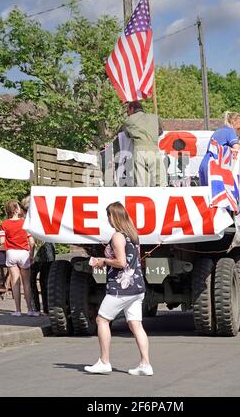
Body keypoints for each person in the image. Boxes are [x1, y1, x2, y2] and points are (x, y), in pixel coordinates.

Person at [84, 201, 153, 376]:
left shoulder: (117, 236)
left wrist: (103, 261)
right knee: (136, 324)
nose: (107, 219)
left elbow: (121, 262)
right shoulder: (133, 234)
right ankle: (145, 364)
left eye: (108, 216)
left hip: (121, 288)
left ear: (113, 217)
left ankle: (104, 361)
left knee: (102, 320)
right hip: (137, 287)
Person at [0, 200, 38, 316]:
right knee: (26, 283)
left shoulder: (4, 224)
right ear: (16, 210)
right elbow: (32, 242)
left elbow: (1, 241)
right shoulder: (25, 223)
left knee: (15, 282)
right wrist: (31, 255)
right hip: (23, 253)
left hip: (11, 253)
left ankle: (17, 311)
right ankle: (30, 310)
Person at [121, 100, 166, 187]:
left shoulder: (128, 120)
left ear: (132, 108)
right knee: (161, 183)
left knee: (141, 185)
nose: (128, 114)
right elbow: (160, 132)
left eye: (128, 111)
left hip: (139, 151)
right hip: (154, 150)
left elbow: (127, 135)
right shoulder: (155, 117)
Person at [199, 111, 240, 186]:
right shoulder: (230, 131)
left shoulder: (218, 131)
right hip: (215, 167)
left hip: (205, 164)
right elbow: (237, 148)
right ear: (233, 122)